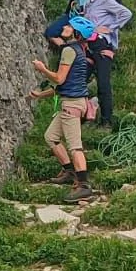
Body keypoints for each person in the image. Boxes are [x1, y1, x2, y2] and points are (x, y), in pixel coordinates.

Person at [31, 21, 96, 200]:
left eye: (69, 27)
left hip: (71, 106)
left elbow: (59, 79)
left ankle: (84, 186)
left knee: (75, 147)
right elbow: (66, 84)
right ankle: (70, 172)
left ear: (76, 33)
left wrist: (42, 69)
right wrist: (40, 95)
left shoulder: (68, 51)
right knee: (51, 137)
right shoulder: (79, 51)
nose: (64, 28)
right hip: (76, 103)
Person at [81, 0, 132, 127]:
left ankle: (107, 120)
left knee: (103, 83)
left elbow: (126, 13)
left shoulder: (105, 0)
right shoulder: (88, 3)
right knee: (80, 80)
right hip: (89, 46)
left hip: (102, 45)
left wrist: (110, 28)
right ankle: (84, 113)